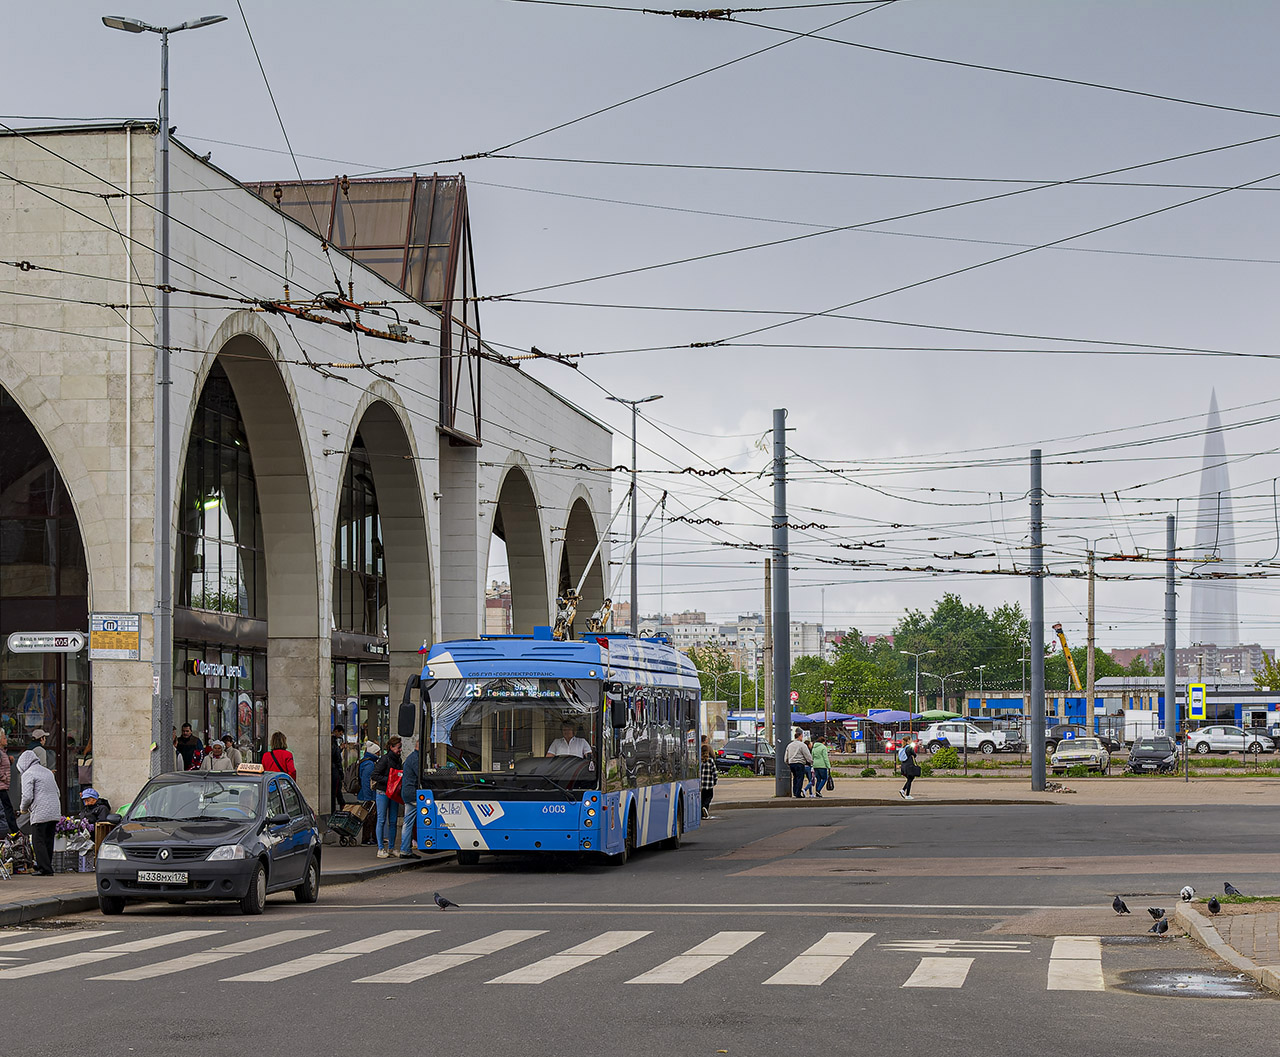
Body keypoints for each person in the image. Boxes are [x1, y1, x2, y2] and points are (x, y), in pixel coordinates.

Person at [17, 749, 60, 875]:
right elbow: (58, 792)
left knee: (38, 840)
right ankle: (47, 865)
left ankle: (44, 868)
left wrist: (23, 809)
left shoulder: (28, 774)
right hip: (54, 810)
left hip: (40, 812)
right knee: (48, 840)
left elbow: (27, 796)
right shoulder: (47, 772)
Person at [371, 735, 403, 858]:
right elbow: (375, 775)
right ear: (391, 747)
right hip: (384, 792)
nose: (400, 750)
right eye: (398, 747)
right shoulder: (385, 759)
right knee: (382, 820)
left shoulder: (396, 760)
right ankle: (381, 848)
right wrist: (391, 780)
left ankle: (390, 848)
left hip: (391, 792)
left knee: (392, 821)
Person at [398, 739, 421, 858]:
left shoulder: (411, 757)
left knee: (408, 822)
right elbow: (421, 776)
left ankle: (405, 849)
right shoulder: (416, 759)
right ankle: (406, 849)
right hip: (413, 794)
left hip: (407, 793)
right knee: (410, 822)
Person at [357, 741, 379, 846]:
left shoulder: (365, 762)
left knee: (369, 817)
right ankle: (368, 838)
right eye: (378, 752)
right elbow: (366, 782)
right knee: (370, 818)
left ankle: (372, 838)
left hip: (367, 795)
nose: (379, 754)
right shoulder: (369, 764)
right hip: (369, 796)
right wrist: (369, 797)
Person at [784, 731, 812, 799]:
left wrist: (787, 762)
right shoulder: (802, 745)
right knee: (800, 778)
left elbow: (786, 756)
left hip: (791, 763)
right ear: (799, 737)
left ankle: (794, 791)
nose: (802, 738)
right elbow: (807, 755)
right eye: (802, 737)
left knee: (795, 777)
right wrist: (811, 762)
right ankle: (798, 793)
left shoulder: (790, 745)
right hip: (799, 763)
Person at [0, 728, 17, 836]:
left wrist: (9, 761)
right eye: (4, 738)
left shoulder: (3, 753)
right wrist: (4, 777)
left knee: (6, 809)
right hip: (1, 786)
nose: (6, 739)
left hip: (3, 786)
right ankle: (14, 832)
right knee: (7, 810)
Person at [699, 744, 718, 819]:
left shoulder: (699, 761)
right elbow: (714, 772)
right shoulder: (710, 760)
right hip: (709, 784)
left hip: (701, 785)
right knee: (709, 797)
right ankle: (705, 808)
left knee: (702, 798)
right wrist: (715, 781)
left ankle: (702, 812)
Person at [331, 725, 347, 814]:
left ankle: (341, 804)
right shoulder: (332, 741)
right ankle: (339, 806)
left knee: (336, 791)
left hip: (334, 769)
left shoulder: (333, 741)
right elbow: (336, 757)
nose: (340, 736)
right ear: (336, 731)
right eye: (340, 734)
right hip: (335, 770)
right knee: (335, 791)